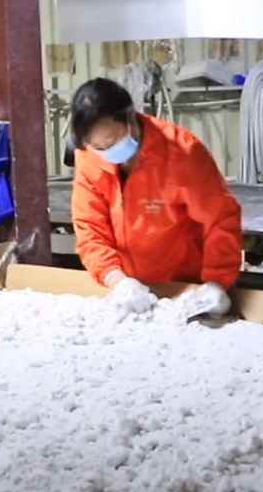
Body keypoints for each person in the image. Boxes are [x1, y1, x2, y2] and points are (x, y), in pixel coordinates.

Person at [69, 78, 242, 318]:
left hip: (186, 293)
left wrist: (216, 282)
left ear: (130, 116)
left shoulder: (182, 154)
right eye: (98, 146)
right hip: (131, 294)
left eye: (111, 142)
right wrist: (118, 282)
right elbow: (90, 230)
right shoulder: (89, 157)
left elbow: (221, 218)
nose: (106, 151)